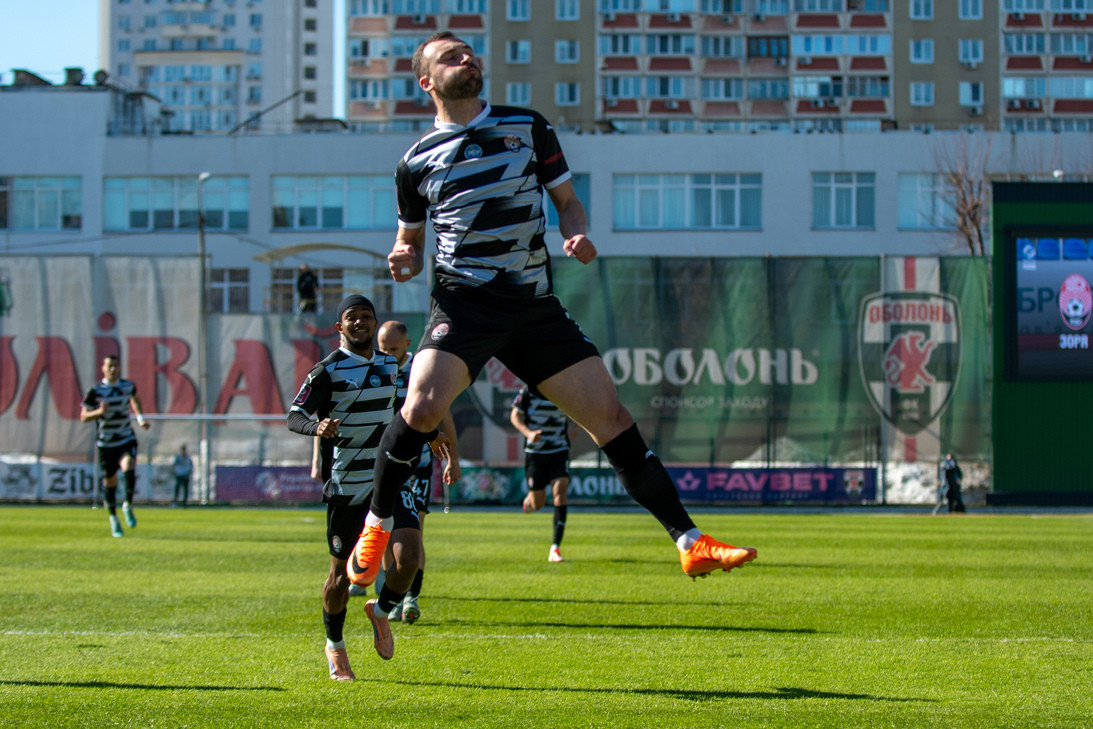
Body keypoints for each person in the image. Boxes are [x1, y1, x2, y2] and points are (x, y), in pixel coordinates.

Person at [346, 31, 756, 596]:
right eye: (451, 57)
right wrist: (404, 257)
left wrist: (578, 231)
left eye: (469, 52)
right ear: (427, 81)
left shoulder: (528, 127)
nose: (467, 59)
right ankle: (375, 525)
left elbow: (567, 203)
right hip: (464, 305)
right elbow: (409, 241)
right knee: (420, 405)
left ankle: (689, 541)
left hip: (533, 306)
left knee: (611, 418)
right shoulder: (414, 162)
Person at [287, 294, 451, 679]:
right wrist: (317, 426)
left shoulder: (389, 365)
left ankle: (380, 611)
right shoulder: (326, 371)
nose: (360, 322)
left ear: (374, 324)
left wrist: (430, 435)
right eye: (352, 317)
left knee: (408, 557)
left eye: (366, 316)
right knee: (340, 577)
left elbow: (399, 413)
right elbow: (295, 415)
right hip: (347, 486)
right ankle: (335, 645)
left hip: (388, 480)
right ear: (339, 327)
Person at [347, 321, 460, 625]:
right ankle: (390, 592)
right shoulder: (374, 369)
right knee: (384, 531)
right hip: (383, 464)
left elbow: (443, 415)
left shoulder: (420, 371)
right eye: (383, 348)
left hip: (418, 464)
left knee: (414, 530)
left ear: (407, 345)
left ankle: (411, 597)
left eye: (393, 349)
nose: (387, 354)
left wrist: (453, 459)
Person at [79, 354, 150, 538]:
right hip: (106, 442)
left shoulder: (128, 386)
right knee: (110, 482)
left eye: (116, 366)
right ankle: (114, 519)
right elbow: (84, 416)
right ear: (103, 368)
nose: (113, 369)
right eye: (109, 366)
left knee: (129, 466)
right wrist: (99, 412)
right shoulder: (95, 391)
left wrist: (140, 418)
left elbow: (135, 399)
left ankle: (128, 504)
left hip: (125, 437)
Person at [510, 385, 572, 563]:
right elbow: (515, 415)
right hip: (535, 454)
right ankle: (530, 501)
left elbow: (577, 410)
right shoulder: (527, 391)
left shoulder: (564, 388)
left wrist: (575, 425)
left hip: (559, 450)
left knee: (560, 489)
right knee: (538, 504)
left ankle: (555, 547)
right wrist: (529, 433)